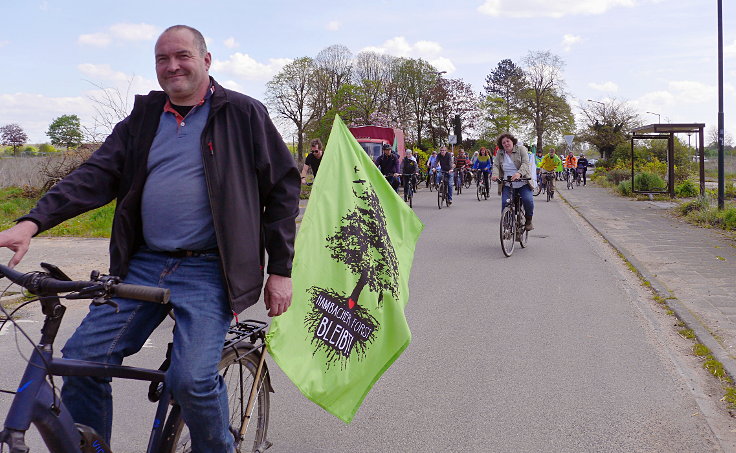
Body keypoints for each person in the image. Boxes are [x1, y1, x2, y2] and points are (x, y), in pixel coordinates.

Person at [0, 25, 300, 453]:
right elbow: (96, 175)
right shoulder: (143, 119)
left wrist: (281, 270)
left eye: (183, 56)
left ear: (206, 60)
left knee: (192, 379)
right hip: (144, 263)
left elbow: (282, 191)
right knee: (82, 360)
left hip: (210, 269)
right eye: (162, 59)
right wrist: (32, 222)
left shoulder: (243, 114)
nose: (172, 66)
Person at [491, 133, 534, 230]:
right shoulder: (500, 153)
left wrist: (519, 173)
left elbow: (525, 163)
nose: (506, 144)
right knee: (505, 203)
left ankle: (528, 220)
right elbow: (496, 165)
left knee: (528, 200)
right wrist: (495, 175)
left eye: (508, 141)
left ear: (512, 141)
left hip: (523, 182)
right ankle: (507, 225)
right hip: (508, 183)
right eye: (503, 143)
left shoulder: (521, 149)